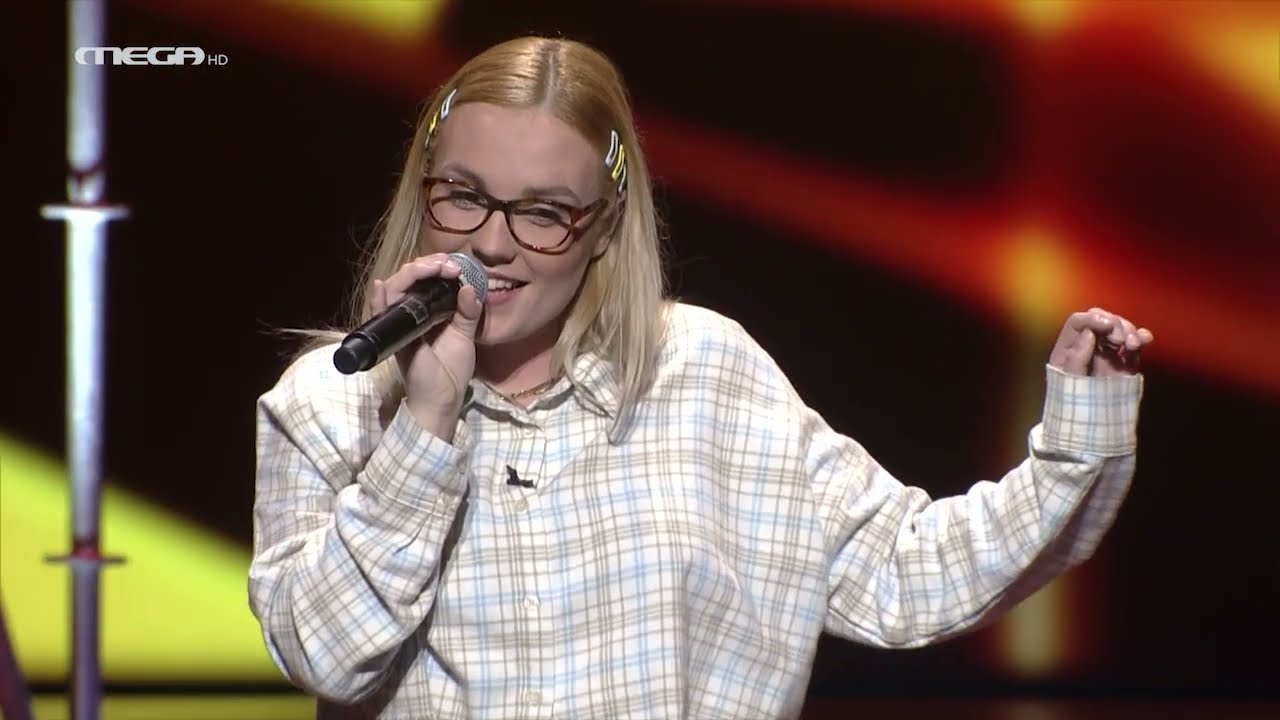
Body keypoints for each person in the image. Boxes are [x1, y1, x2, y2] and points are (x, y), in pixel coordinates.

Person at [247, 35, 1154, 720]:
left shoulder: (704, 373)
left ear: (604, 227)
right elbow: (323, 656)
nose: (491, 241)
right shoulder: (331, 401)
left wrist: (1079, 436)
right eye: (464, 195)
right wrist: (425, 424)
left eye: (544, 213)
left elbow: (907, 574)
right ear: (423, 189)